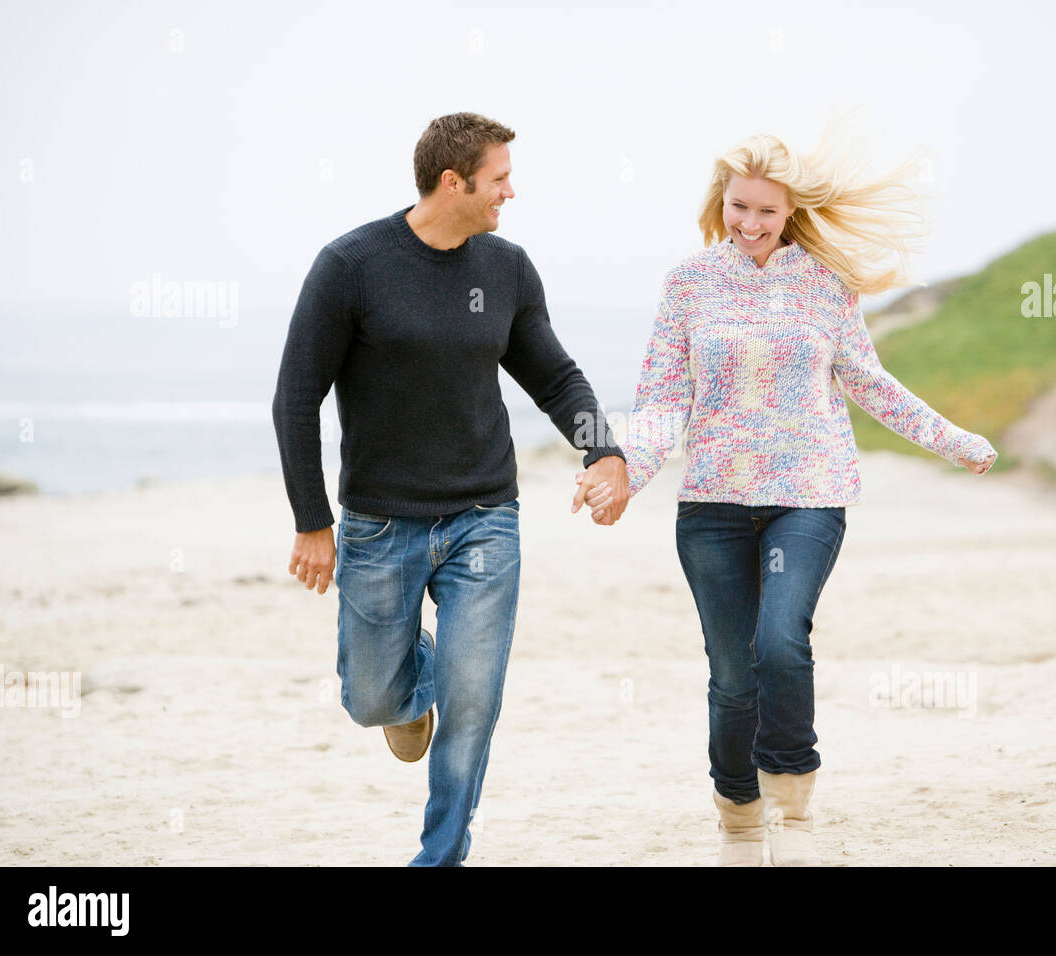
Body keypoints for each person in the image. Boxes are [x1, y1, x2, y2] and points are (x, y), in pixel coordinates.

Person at [573, 127, 997, 866]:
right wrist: (625, 475)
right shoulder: (689, 282)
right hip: (712, 506)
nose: (750, 223)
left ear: (792, 211)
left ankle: (792, 810)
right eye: (739, 206)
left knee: (779, 644)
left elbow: (867, 380)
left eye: (767, 211)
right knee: (733, 676)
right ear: (721, 201)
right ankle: (739, 819)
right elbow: (664, 399)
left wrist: (953, 440)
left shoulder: (827, 281)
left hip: (808, 494)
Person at [272, 111, 630, 867]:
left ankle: (440, 857)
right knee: (370, 698)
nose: (510, 192)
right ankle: (412, 686)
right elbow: (295, 399)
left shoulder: (506, 269)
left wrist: (605, 452)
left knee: (473, 701)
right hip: (380, 524)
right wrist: (312, 521)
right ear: (452, 182)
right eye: (499, 179)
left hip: (484, 518)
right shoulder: (351, 266)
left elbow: (554, 377)